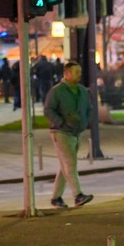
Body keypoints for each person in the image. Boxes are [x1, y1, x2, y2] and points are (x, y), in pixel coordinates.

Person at [43, 61, 94, 209]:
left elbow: (89, 109)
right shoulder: (57, 91)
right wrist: (61, 122)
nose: (79, 74)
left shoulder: (82, 91)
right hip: (61, 132)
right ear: (67, 73)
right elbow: (48, 110)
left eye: (80, 71)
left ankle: (56, 198)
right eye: (76, 71)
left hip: (76, 132)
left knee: (65, 167)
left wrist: (85, 122)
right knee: (70, 164)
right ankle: (78, 195)